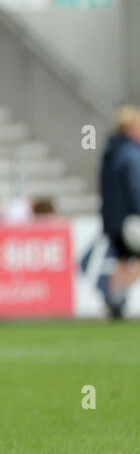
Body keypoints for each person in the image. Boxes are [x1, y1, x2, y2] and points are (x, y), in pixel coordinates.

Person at [100, 104, 140, 318]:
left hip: (113, 220)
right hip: (131, 219)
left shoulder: (110, 151)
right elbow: (135, 187)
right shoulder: (131, 154)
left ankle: (113, 300)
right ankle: (118, 297)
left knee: (122, 261)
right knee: (128, 261)